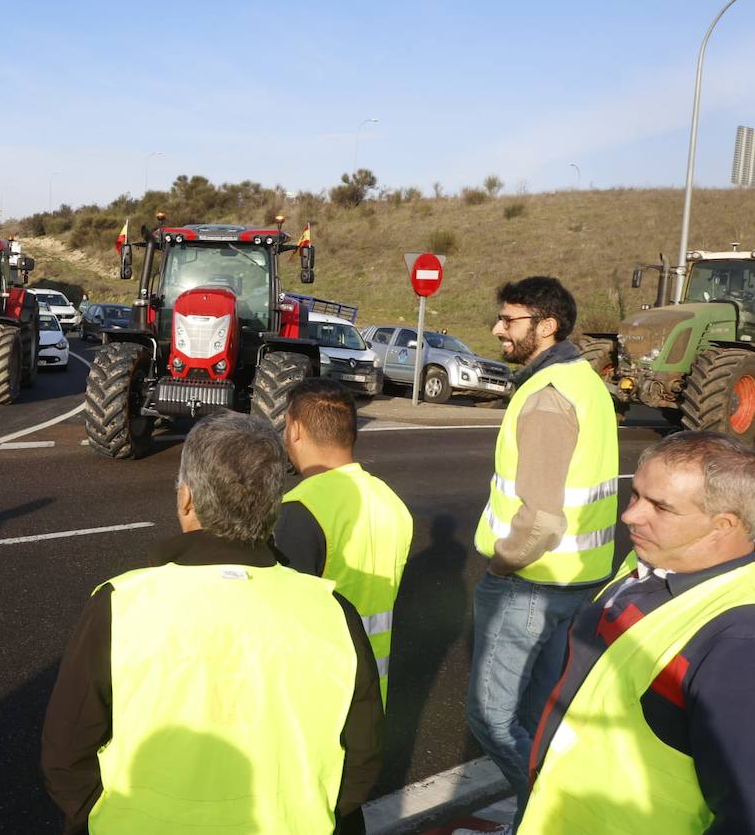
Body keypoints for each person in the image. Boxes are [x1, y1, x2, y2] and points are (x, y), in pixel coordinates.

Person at [42, 411, 384, 834]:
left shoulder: (121, 605)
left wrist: (105, 817)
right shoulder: (333, 612)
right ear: (273, 508)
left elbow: (65, 754)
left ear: (187, 498)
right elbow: (362, 757)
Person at [519, 432, 755, 833]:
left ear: (723, 526)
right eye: (635, 495)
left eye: (660, 506)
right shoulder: (650, 562)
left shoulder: (738, 641)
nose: (630, 516)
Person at [464, 276, 619, 831]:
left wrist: (502, 564)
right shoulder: (582, 381)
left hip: (529, 583)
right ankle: (537, 820)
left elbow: (542, 517)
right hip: (573, 583)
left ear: (547, 326)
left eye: (510, 320)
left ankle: (553, 812)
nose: (497, 329)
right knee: (535, 718)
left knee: (492, 719)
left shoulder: (548, 396)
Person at [273, 378, 414, 705]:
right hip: (372, 690)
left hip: (317, 697)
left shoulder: (299, 509)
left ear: (294, 429)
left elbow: (284, 622)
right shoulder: (392, 504)